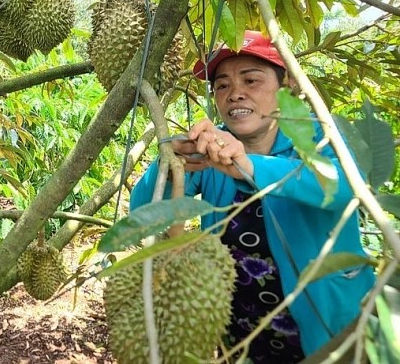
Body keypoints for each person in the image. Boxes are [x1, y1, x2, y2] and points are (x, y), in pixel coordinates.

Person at [130, 30, 376, 362]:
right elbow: (144, 215)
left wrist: (251, 167)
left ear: (285, 84)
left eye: (251, 80)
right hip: (242, 342)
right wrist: (169, 165)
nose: (235, 94)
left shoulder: (318, 134)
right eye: (223, 85)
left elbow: (348, 185)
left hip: (329, 337)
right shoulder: (213, 150)